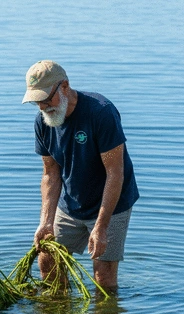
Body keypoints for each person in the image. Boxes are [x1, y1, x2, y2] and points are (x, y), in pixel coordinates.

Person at [22, 60, 139, 290]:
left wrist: (102, 225)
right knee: (47, 260)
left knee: (103, 278)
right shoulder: (43, 123)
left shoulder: (100, 113)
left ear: (64, 86)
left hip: (111, 203)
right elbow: (50, 175)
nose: (43, 107)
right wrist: (45, 221)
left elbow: (115, 174)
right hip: (71, 203)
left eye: (46, 98)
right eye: (37, 101)